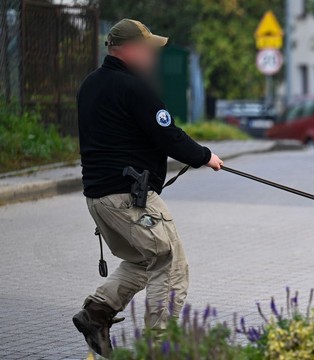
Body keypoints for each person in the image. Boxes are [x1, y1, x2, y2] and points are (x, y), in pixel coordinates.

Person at [72, 19, 222, 356]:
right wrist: (205, 156)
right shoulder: (133, 88)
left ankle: (96, 313)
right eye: (148, 48)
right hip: (130, 199)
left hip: (100, 199)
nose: (152, 56)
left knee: (144, 261)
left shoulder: (90, 85)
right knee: (170, 265)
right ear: (131, 49)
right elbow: (167, 135)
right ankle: (160, 350)